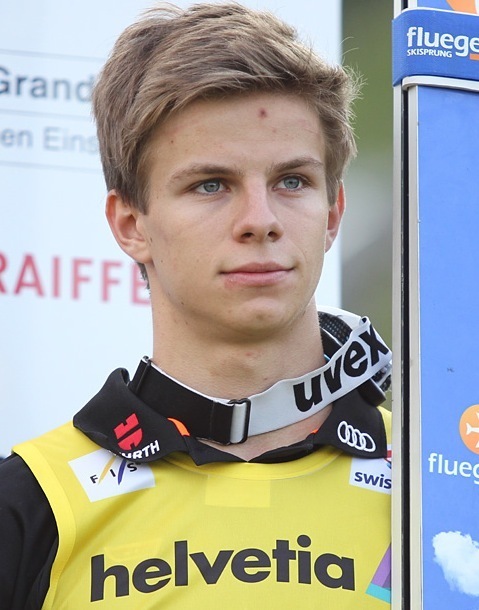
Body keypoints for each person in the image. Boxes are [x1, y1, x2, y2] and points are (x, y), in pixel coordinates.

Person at [0, 3, 392, 608]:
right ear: (130, 224)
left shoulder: (437, 480)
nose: (260, 220)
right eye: (211, 185)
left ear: (333, 212)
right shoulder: (30, 503)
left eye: (292, 181)